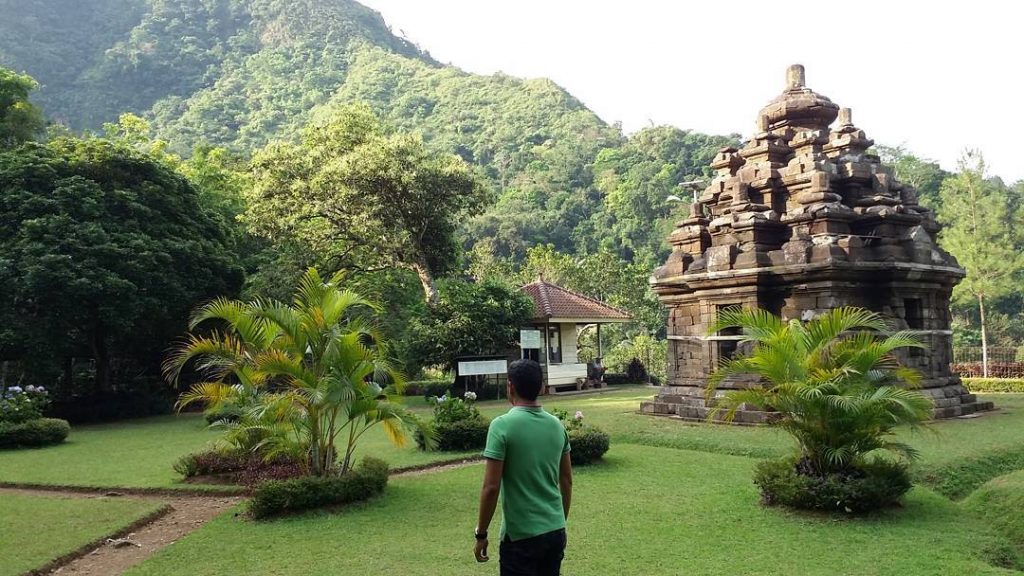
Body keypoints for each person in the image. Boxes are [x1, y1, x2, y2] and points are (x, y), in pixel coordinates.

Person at [474, 359, 573, 576]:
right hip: (554, 531)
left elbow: (491, 487)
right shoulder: (557, 426)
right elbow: (566, 481)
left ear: (510, 386)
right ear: (541, 387)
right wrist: (559, 524)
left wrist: (481, 534)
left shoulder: (501, 426)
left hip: (520, 537)